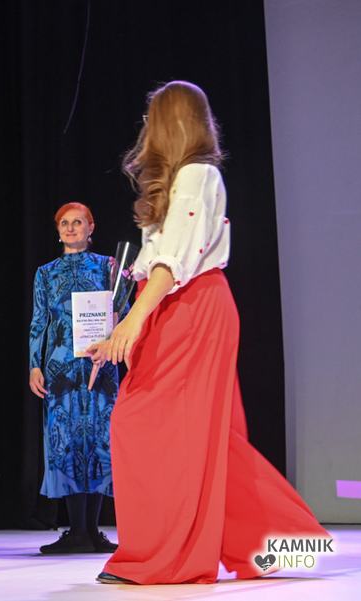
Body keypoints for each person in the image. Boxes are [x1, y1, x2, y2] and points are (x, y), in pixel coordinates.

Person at [88, 81, 328, 584]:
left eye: (152, 117)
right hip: (167, 305)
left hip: (193, 305)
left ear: (171, 122)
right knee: (205, 437)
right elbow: (153, 262)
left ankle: (165, 557)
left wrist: (134, 320)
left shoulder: (199, 174)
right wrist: (121, 330)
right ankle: (276, 543)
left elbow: (175, 261)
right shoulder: (176, 181)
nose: (145, 127)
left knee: (154, 427)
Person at [28, 202, 120, 555]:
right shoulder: (46, 273)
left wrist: (112, 343)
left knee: (98, 441)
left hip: (100, 365)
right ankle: (76, 530)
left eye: (77, 222)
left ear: (90, 227)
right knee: (65, 442)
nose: (70, 228)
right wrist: (34, 365)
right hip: (61, 368)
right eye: (64, 223)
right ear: (57, 230)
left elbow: (122, 311)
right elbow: (39, 321)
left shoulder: (108, 267)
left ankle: (92, 531)